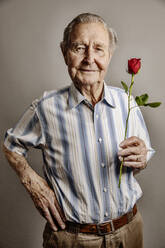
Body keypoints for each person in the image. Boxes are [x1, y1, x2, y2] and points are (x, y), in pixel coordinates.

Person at [3, 13, 155, 248]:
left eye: (99, 49)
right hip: (71, 239)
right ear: (64, 52)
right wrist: (32, 182)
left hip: (129, 231)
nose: (89, 58)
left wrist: (143, 156)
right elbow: (11, 145)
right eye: (79, 48)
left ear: (110, 55)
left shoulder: (127, 101)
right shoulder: (46, 108)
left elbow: (145, 151)